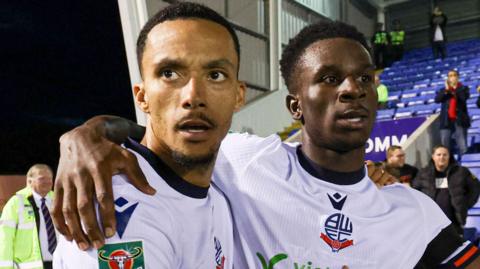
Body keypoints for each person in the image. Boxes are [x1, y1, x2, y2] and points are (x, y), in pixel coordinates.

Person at [52, 20, 480, 268]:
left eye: (365, 78)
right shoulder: (242, 161)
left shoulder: (410, 211)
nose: (352, 89)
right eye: (330, 79)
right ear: (295, 104)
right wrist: (86, 135)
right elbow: (164, 140)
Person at [52, 3, 246, 268]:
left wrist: (92, 130)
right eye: (169, 73)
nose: (193, 96)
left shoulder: (222, 187)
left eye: (215, 75)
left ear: (238, 95)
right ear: (142, 97)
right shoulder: (119, 211)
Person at [413, 145, 480, 236]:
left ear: (449, 156)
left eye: (445, 155)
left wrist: (464, 204)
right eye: (439, 154)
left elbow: (475, 188)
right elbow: (414, 192)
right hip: (430, 222)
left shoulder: (461, 171)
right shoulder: (423, 173)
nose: (442, 157)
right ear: (433, 156)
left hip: (455, 221)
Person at [0, 164, 56, 269]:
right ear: (30, 181)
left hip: (58, 264)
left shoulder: (58, 200)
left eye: (50, 179)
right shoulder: (15, 203)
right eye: (42, 179)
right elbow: (4, 239)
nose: (48, 182)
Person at [435, 69, 470, 156]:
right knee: (445, 147)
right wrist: (447, 90)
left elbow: (463, 98)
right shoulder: (443, 90)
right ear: (448, 78)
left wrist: (455, 88)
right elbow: (437, 100)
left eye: (454, 75)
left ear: (458, 77)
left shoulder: (463, 88)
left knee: (463, 146)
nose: (452, 77)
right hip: (446, 121)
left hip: (459, 120)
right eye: (450, 76)